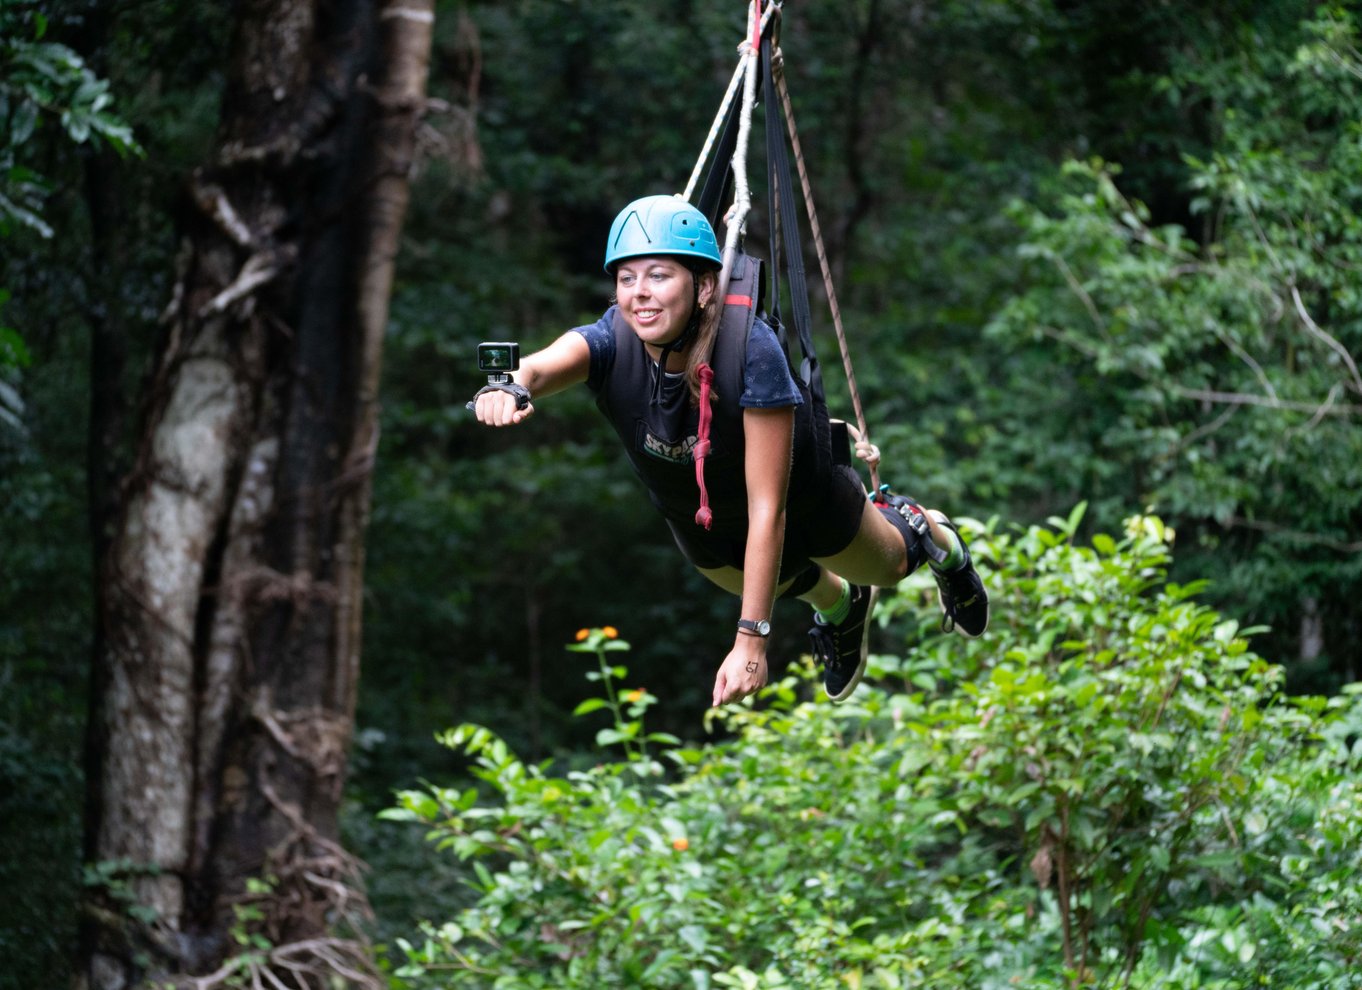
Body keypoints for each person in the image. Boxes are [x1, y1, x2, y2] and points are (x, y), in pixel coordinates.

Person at [470, 195, 988, 707]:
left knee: (889, 569)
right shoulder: (611, 341)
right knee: (754, 577)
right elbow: (539, 366)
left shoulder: (749, 350)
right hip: (706, 519)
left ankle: (934, 536)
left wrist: (751, 639)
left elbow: (770, 507)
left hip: (800, 498)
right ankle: (841, 609)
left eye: (659, 276)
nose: (640, 294)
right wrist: (508, 387)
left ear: (703, 288)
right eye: (626, 278)